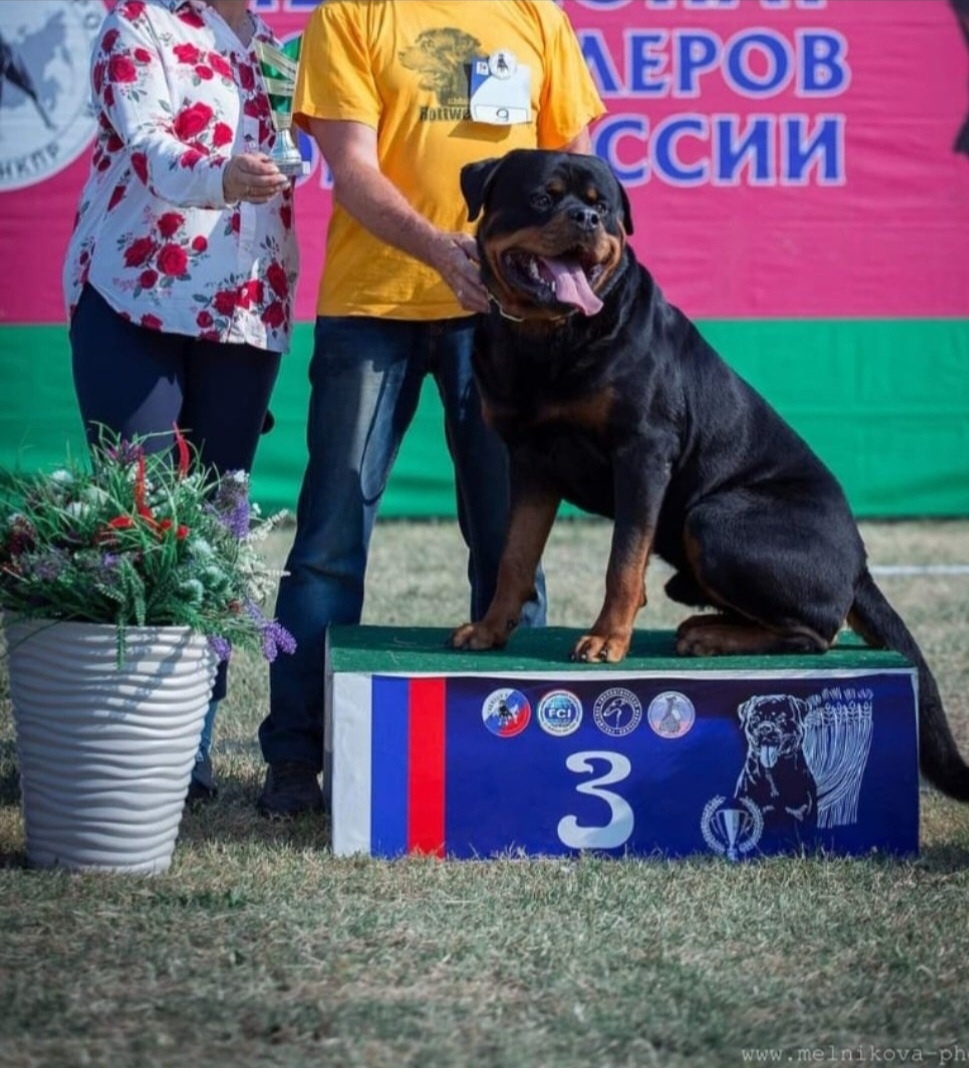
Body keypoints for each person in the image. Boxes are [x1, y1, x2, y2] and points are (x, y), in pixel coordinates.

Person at [256, 0, 606, 817]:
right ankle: (293, 759)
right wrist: (446, 252)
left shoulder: (533, 15)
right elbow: (352, 170)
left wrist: (537, 265)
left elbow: (572, 162)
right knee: (329, 541)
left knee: (508, 536)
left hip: (505, 314)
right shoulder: (351, 14)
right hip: (373, 310)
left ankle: (524, 745)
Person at [63, 0, 299, 804]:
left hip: (245, 303)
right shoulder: (136, 22)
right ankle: (120, 739)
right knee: (140, 525)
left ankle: (188, 742)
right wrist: (223, 175)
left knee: (216, 531)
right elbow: (151, 146)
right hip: (136, 289)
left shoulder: (277, 51)